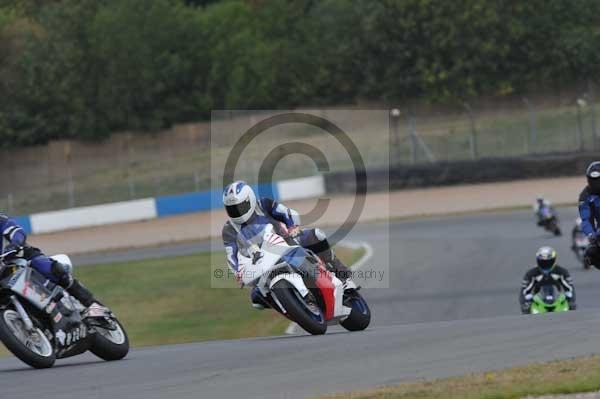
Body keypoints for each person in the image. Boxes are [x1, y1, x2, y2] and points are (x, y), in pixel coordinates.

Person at [221, 181, 356, 309]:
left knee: (316, 235)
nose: (237, 211)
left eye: (240, 207)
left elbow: (286, 213)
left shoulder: (263, 204)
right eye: (232, 209)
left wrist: (292, 227)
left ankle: (342, 275)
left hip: (287, 242)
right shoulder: (229, 229)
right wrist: (237, 271)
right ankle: (288, 304)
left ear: (249, 200)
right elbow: (231, 254)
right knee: (256, 298)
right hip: (260, 262)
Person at [0, 213, 105, 314]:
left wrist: (15, 243)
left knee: (47, 268)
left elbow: (16, 231)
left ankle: (92, 304)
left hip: (15, 257)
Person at [519, 246, 576, 314]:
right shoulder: (531, 274)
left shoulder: (562, 272)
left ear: (554, 260)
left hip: (558, 300)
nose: (545, 264)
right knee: (526, 310)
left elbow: (570, 288)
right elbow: (524, 291)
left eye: (548, 262)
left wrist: (571, 301)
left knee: (571, 308)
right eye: (542, 262)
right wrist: (525, 303)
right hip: (538, 301)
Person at [579, 161, 600, 268]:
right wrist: (591, 235)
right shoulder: (585, 195)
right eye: (592, 181)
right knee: (590, 254)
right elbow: (585, 219)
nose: (595, 184)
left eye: (598, 181)